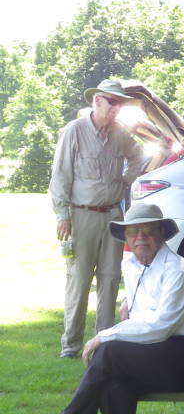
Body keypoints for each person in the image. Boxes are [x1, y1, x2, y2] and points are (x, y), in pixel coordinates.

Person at [8, 204, 184, 414]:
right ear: (127, 239)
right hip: (160, 353)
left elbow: (160, 326)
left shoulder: (177, 270)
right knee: (111, 384)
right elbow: (140, 317)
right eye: (134, 232)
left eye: (148, 231)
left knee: (108, 354)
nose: (141, 237)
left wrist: (105, 335)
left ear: (162, 234)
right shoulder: (132, 266)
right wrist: (127, 309)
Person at [49, 79, 150, 359]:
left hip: (113, 215)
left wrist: (126, 180)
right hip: (81, 215)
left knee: (110, 277)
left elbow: (139, 155)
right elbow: (60, 174)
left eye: (120, 103)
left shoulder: (119, 133)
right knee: (79, 280)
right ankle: (71, 346)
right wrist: (62, 214)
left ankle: (104, 341)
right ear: (97, 101)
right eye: (112, 101)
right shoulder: (75, 131)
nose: (117, 108)